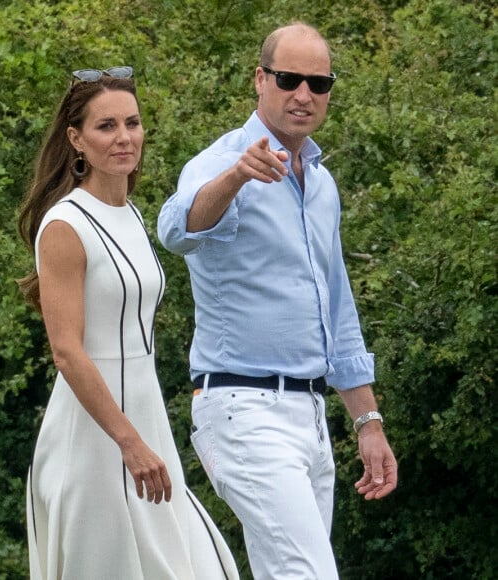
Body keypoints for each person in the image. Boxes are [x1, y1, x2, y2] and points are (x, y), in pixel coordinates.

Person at [157, 22, 398, 580]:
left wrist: (369, 421)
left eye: (319, 82)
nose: (304, 94)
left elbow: (337, 310)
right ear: (260, 80)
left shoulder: (322, 184)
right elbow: (176, 227)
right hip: (243, 409)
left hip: (311, 415)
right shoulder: (221, 161)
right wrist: (238, 177)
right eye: (289, 79)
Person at [17, 66, 239, 580]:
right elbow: (68, 352)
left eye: (132, 123)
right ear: (76, 139)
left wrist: (144, 439)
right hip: (95, 440)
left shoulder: (134, 215)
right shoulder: (65, 226)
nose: (124, 138)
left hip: (146, 425)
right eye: (106, 126)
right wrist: (128, 442)